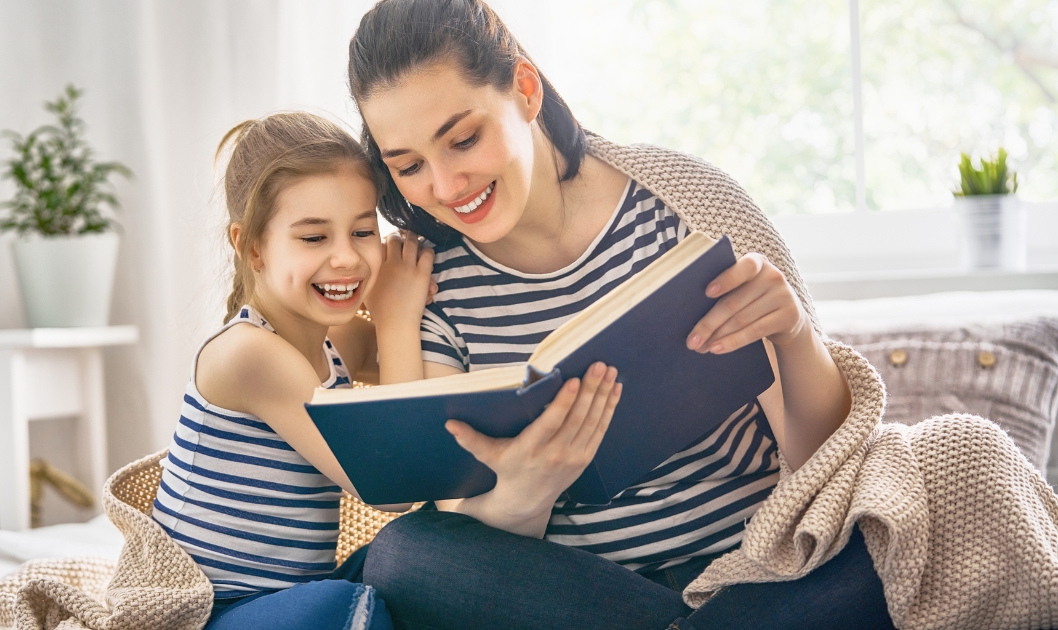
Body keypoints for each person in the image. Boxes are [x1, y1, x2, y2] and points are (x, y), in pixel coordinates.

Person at [346, 1, 897, 628]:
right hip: (591, 601)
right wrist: (527, 495)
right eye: (410, 166)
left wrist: (794, 336)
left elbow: (827, 460)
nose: (446, 187)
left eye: (464, 139)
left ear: (525, 90)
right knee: (401, 558)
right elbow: (465, 526)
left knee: (924, 499)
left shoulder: (685, 206)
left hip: (762, 573)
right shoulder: (433, 284)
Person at [147, 112, 434, 630]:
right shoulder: (250, 355)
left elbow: (405, 369)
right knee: (346, 605)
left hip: (287, 598)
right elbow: (394, 487)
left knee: (423, 559)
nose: (346, 257)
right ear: (251, 247)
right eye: (313, 238)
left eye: (363, 231)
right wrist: (396, 319)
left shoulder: (328, 339)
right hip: (221, 613)